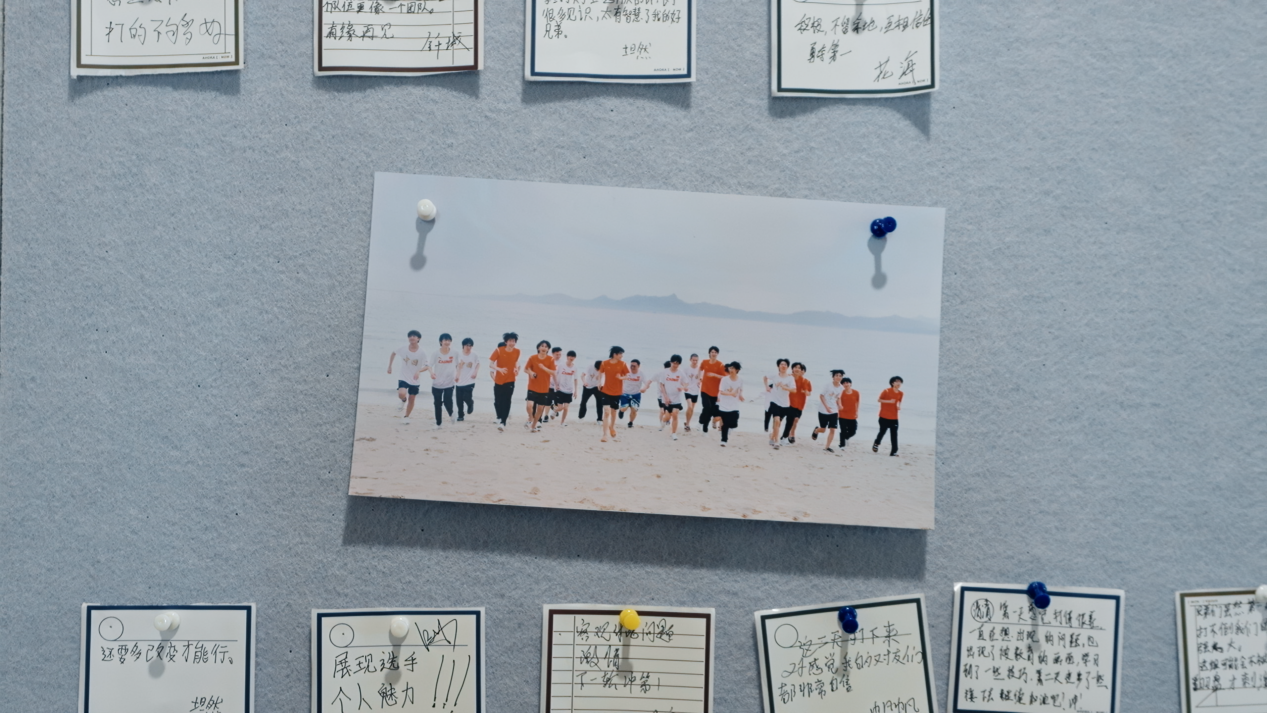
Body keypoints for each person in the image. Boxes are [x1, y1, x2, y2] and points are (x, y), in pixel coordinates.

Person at [388, 330, 429, 425]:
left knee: (412, 398)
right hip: (404, 376)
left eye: (414, 336)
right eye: (410, 336)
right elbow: (393, 353)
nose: (412, 337)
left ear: (418, 339)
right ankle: (403, 400)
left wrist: (419, 371)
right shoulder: (403, 348)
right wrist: (390, 366)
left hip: (415, 379)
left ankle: (406, 416)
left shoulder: (422, 352)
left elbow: (427, 366)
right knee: (401, 393)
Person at [488, 333, 520, 431]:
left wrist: (516, 369)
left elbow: (516, 362)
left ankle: (503, 422)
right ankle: (499, 416)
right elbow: (491, 364)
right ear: (506, 341)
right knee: (498, 402)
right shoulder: (498, 350)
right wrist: (499, 369)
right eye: (510, 341)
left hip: (510, 380)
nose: (512, 343)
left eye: (513, 341)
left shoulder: (517, 351)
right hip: (499, 380)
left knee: (507, 400)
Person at [598, 347, 630, 443]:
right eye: (620, 354)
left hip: (617, 392)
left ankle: (612, 427)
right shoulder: (605, 363)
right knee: (606, 412)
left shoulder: (623, 364)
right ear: (615, 354)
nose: (622, 356)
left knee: (613, 412)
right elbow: (600, 373)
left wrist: (621, 378)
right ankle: (605, 435)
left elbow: (628, 376)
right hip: (605, 390)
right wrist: (599, 382)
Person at [524, 340, 556, 433]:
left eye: (546, 347)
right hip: (532, 386)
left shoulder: (550, 359)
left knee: (540, 408)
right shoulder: (532, 358)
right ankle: (530, 417)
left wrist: (544, 368)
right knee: (529, 405)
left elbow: (553, 372)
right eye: (542, 346)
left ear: (548, 349)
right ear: (538, 348)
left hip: (544, 388)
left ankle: (534, 425)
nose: (544, 348)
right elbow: (526, 369)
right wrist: (531, 373)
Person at [763, 359, 796, 449]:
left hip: (785, 404)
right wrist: (767, 387)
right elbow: (765, 377)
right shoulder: (775, 375)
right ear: (778, 366)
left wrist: (785, 387)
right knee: (777, 420)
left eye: (785, 364)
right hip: (774, 402)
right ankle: (777, 442)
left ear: (787, 367)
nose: (783, 366)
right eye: (781, 364)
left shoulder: (790, 378)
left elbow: (794, 390)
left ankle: (772, 436)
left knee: (778, 423)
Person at [429, 333, 458, 429]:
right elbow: (429, 365)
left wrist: (458, 375)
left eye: (449, 340)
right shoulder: (436, 353)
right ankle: (438, 424)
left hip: (449, 382)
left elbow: (459, 365)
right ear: (441, 342)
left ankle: (451, 413)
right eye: (445, 340)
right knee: (437, 404)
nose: (447, 342)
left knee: (447, 401)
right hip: (437, 383)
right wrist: (431, 373)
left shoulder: (454, 353)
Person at [811, 370, 845, 453]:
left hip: (834, 410)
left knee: (833, 429)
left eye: (840, 376)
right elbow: (821, 396)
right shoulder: (827, 385)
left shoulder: (841, 388)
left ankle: (827, 447)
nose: (838, 377)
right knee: (823, 430)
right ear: (833, 377)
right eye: (836, 375)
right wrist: (826, 407)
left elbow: (838, 398)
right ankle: (816, 430)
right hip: (823, 410)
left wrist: (840, 405)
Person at [655, 355, 687, 440]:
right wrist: (665, 397)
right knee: (667, 416)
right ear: (671, 362)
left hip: (677, 398)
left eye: (677, 364)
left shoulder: (680, 373)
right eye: (674, 363)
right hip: (667, 398)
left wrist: (682, 387)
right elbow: (661, 385)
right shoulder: (665, 372)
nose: (675, 365)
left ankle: (673, 433)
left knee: (675, 414)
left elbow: (686, 383)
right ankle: (663, 422)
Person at [697, 347, 726, 433]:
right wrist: (699, 378)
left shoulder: (720, 365)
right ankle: (700, 423)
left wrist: (714, 375)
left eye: (715, 352)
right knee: (707, 407)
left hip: (715, 392)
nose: (713, 354)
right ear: (709, 353)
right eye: (712, 352)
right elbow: (700, 369)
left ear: (717, 354)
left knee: (709, 411)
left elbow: (725, 377)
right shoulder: (704, 362)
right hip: (704, 389)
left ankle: (705, 428)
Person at [715, 361, 744, 446]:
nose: (731, 370)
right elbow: (721, 392)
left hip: (734, 405)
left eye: (733, 368)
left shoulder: (740, 380)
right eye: (730, 368)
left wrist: (740, 395)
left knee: (734, 423)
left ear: (737, 370)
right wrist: (731, 394)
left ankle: (729, 429)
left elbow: (740, 389)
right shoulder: (724, 379)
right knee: (725, 423)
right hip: (724, 405)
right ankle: (723, 440)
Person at [873, 376, 903, 456]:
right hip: (884, 416)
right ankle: (876, 443)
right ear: (892, 383)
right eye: (897, 382)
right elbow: (879, 400)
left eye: (900, 382)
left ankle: (894, 452)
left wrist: (899, 407)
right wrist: (889, 401)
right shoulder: (886, 391)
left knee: (894, 434)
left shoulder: (901, 393)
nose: (898, 383)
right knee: (882, 432)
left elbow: (899, 402)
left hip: (894, 417)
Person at [782, 362, 811, 444]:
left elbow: (809, 392)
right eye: (796, 368)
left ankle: (790, 434)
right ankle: (781, 435)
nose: (800, 371)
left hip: (800, 404)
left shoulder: (805, 381)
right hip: (787, 402)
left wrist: (806, 392)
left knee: (795, 420)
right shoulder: (789, 377)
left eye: (801, 369)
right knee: (783, 419)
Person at [454, 337, 479, 422]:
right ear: (463, 346)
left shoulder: (474, 354)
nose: (468, 347)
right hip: (459, 381)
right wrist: (456, 376)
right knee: (459, 400)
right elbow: (456, 367)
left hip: (470, 381)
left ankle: (470, 403)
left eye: (470, 346)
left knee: (466, 397)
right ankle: (460, 415)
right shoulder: (458, 355)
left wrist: (475, 372)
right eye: (467, 345)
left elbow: (478, 364)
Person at [552, 351, 579, 426]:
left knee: (566, 408)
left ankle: (562, 422)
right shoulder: (561, 365)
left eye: (573, 357)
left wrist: (576, 391)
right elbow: (554, 374)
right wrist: (556, 385)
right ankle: (555, 410)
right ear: (567, 357)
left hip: (569, 390)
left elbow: (576, 379)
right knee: (560, 408)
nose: (571, 358)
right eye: (570, 356)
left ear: (575, 358)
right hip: (560, 389)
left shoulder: (575, 367)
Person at [620, 359, 646, 427]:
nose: (632, 367)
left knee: (634, 409)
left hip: (636, 394)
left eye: (634, 366)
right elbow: (619, 380)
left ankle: (630, 422)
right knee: (624, 407)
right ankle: (621, 411)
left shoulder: (641, 374)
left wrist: (644, 388)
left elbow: (646, 383)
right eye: (631, 365)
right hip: (625, 393)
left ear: (638, 366)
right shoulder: (626, 372)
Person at [837, 377, 860, 448]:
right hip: (842, 414)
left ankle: (845, 437)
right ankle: (842, 445)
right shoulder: (840, 393)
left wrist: (857, 412)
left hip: (852, 415)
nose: (845, 384)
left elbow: (858, 402)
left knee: (853, 431)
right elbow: (837, 402)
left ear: (850, 384)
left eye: (847, 382)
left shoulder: (856, 392)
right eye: (843, 383)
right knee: (843, 430)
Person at [682, 353, 701, 432]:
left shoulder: (700, 369)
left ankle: (687, 423)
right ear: (690, 360)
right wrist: (684, 386)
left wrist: (700, 381)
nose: (695, 362)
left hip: (696, 391)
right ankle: (687, 425)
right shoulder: (686, 369)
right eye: (693, 360)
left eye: (696, 360)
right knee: (689, 406)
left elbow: (702, 379)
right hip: (688, 390)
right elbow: (681, 379)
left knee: (692, 408)